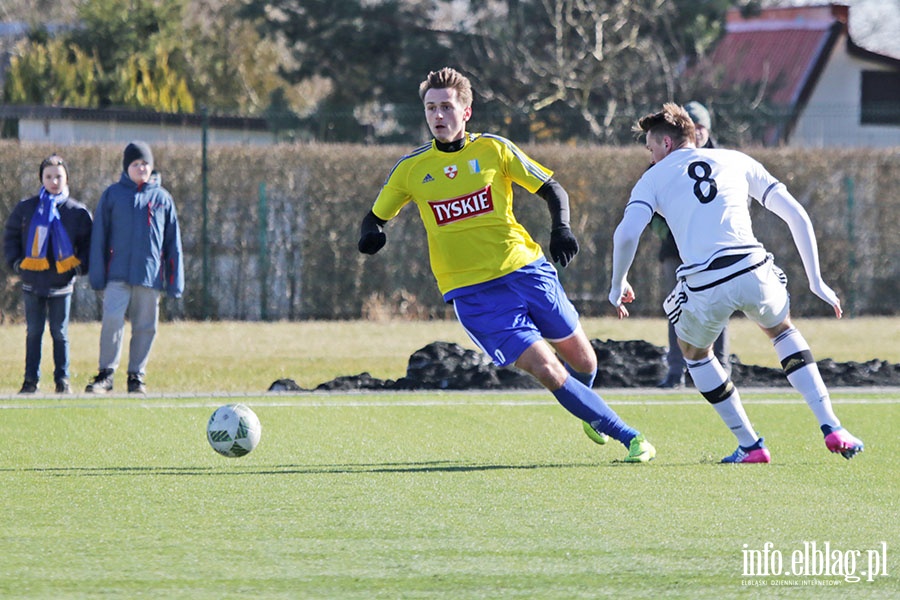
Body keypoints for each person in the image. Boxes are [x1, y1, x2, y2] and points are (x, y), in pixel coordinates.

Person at [357, 67, 655, 462]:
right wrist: (371, 234)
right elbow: (374, 217)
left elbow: (551, 187)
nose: (438, 115)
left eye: (446, 106)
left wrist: (561, 228)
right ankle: (630, 437)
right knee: (548, 368)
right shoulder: (411, 169)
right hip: (475, 295)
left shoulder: (494, 149)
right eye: (431, 108)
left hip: (527, 270)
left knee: (585, 361)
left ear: (466, 111)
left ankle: (588, 410)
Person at [608, 102, 863, 463]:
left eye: (650, 148)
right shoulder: (737, 160)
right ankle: (832, 425)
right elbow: (796, 214)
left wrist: (618, 284)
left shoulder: (653, 178)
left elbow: (626, 234)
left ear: (665, 143)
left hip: (706, 281)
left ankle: (751, 445)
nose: (650, 156)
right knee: (782, 331)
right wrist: (816, 280)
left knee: (693, 352)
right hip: (753, 267)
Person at [85, 141, 184, 394]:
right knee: (113, 320)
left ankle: (136, 376)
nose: (141, 168)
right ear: (126, 167)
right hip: (117, 274)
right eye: (136, 164)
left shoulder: (163, 199)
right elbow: (99, 238)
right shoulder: (113, 195)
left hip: (149, 277)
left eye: (145, 163)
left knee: (146, 326)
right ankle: (106, 374)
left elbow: (173, 244)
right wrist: (98, 275)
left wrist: (175, 282)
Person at [651, 101, 729, 388]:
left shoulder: (725, 161)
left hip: (714, 251)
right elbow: (648, 207)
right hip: (676, 250)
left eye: (701, 128)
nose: (696, 134)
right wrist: (670, 231)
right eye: (690, 128)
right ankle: (676, 370)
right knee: (677, 309)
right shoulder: (666, 160)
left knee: (716, 307)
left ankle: (720, 368)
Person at [3, 154, 93, 394]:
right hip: (32, 282)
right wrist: (16, 264)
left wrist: (79, 266)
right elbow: (10, 238)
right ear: (41, 179)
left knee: (60, 333)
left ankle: (62, 381)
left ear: (67, 178)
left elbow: (88, 245)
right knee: (33, 332)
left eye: (59, 177)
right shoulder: (26, 208)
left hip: (62, 284)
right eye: (49, 176)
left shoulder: (77, 211)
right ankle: (30, 381)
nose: (54, 181)